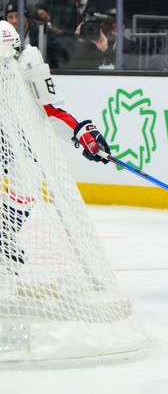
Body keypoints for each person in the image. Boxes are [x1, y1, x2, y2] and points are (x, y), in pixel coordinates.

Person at [0, 19, 109, 268]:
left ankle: (4, 234)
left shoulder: (29, 60)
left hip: (14, 132)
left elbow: (51, 106)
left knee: (28, 176)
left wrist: (82, 133)